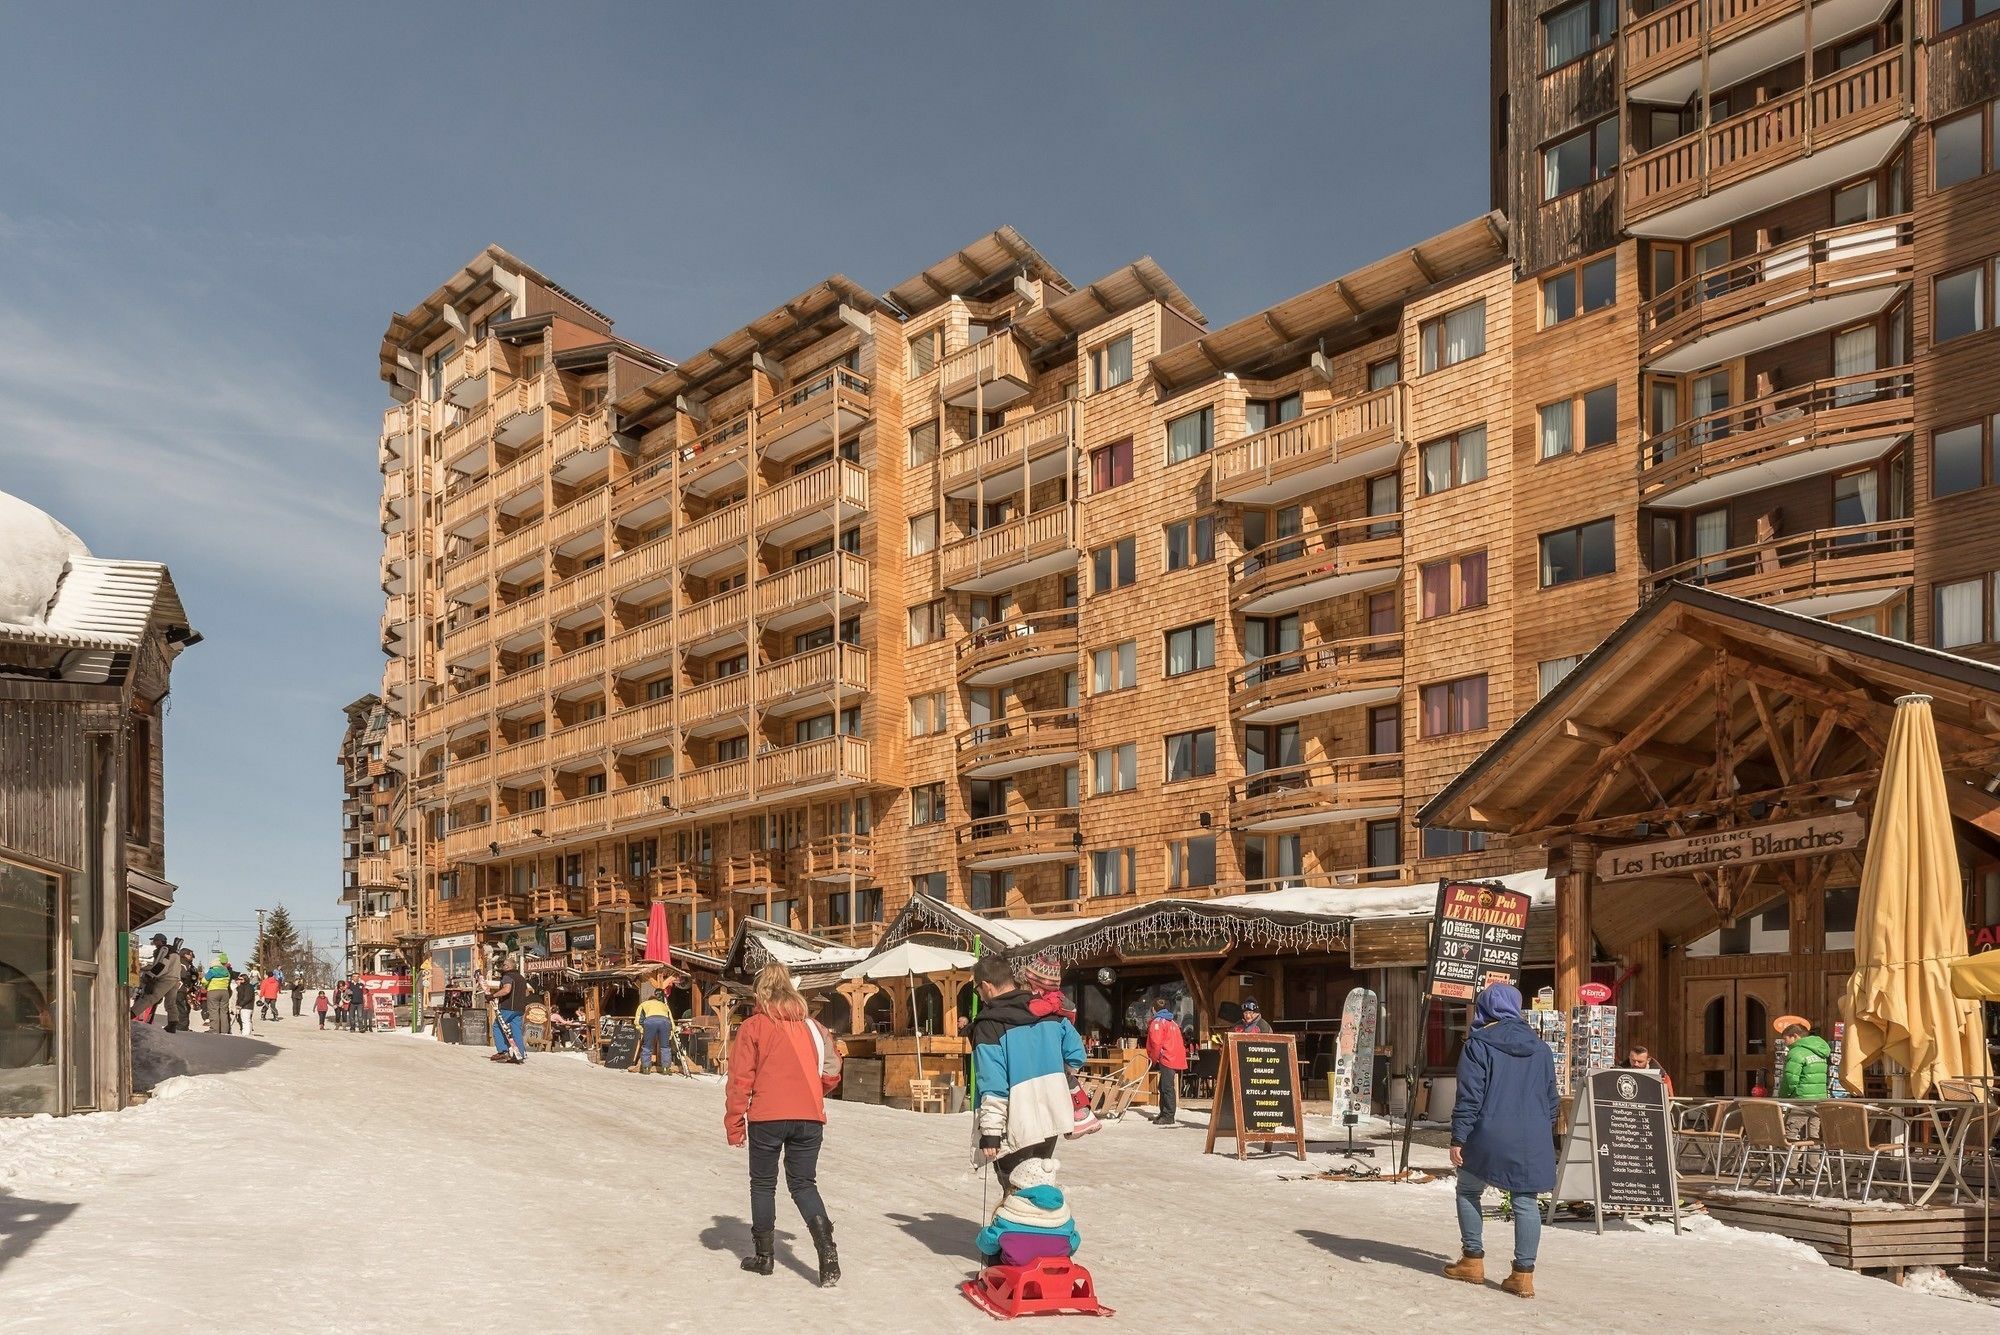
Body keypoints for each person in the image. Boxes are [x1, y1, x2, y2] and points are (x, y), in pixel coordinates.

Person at [723, 963, 842, 1287]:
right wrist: (811, 1093)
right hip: (809, 1116)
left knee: (763, 1185)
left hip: (767, 1116)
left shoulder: (754, 1026)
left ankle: (764, 1257)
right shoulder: (814, 1028)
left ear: (760, 992)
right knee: (804, 1183)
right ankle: (827, 1251)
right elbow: (832, 1071)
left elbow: (740, 1080)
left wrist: (735, 1122)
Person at [1445, 983, 1559, 1300]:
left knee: (1468, 1189)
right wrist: (1540, 1131)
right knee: (1525, 1201)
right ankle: (1523, 1276)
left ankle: (1472, 1261)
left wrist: (1459, 1137)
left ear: (1485, 1009)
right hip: (1531, 1136)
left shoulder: (1477, 1045)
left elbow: (1470, 1097)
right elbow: (1551, 1099)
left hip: (1488, 1133)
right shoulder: (1540, 1048)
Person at [968, 954, 1084, 1190]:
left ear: (987, 986)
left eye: (977, 989)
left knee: (1015, 1194)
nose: (979, 995)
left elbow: (993, 1084)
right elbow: (1076, 1055)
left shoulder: (989, 1025)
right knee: (1039, 1188)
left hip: (1015, 1123)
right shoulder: (1051, 1013)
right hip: (1051, 1118)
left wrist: (990, 1132)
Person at [1017, 955, 1099, 1138]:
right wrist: (1071, 1065)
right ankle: (1079, 1118)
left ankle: (1080, 1117)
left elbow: (1035, 1011)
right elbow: (1076, 1052)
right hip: (1052, 1076)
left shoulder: (1037, 1011)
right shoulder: (1060, 1016)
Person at [974, 1155, 1080, 1269]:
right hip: (1052, 1270)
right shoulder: (1063, 1214)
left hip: (1015, 1271)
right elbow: (1074, 1243)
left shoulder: (1009, 1213)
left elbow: (986, 1245)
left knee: (993, 1248)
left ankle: (994, 1282)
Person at [1144, 999, 1188, 1127]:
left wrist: (1153, 1059)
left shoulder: (1157, 1022)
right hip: (1175, 1056)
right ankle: (1164, 1113)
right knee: (1163, 1086)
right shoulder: (1172, 1021)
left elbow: (1156, 1043)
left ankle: (1168, 1115)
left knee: (1166, 1087)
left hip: (1167, 1057)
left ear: (1153, 1009)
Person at [1775, 1016, 1832, 1100]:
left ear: (1794, 1036)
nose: (1784, 1042)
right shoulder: (1820, 1050)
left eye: (1785, 1039)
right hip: (1820, 1098)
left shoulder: (1796, 1052)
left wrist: (1782, 1096)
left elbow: (1790, 1079)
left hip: (1801, 1099)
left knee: (1797, 1114)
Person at [485, 957, 528, 1063]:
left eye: (503, 965)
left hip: (508, 1007)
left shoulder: (508, 976)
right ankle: (520, 1054)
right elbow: (526, 993)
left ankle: (503, 1051)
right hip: (520, 1008)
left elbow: (507, 989)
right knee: (516, 1030)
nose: (502, 967)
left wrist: (493, 996)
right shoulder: (521, 978)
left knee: (497, 1026)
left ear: (508, 966)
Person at [636, 986, 676, 1074]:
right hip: (665, 1022)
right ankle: (666, 1068)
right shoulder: (663, 1005)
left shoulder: (643, 1004)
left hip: (650, 1022)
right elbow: (671, 1019)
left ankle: (646, 1068)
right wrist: (672, 1031)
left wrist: (642, 1029)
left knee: (647, 1046)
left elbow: (639, 1019)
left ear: (649, 1000)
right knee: (665, 1046)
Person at [203, 953, 233, 1034]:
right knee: (224, 1012)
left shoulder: (212, 971)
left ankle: (214, 1030)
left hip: (213, 992)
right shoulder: (227, 971)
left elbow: (204, 981)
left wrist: (205, 986)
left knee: (214, 1011)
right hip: (225, 992)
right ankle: (224, 1030)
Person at [232, 971, 256, 1037]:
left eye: (241, 979)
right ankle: (245, 1032)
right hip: (243, 1006)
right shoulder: (241, 987)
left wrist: (240, 1004)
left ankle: (246, 1033)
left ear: (245, 979)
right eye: (239, 979)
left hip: (247, 1006)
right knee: (244, 1020)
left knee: (246, 1020)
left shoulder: (248, 987)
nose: (240, 981)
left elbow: (247, 997)